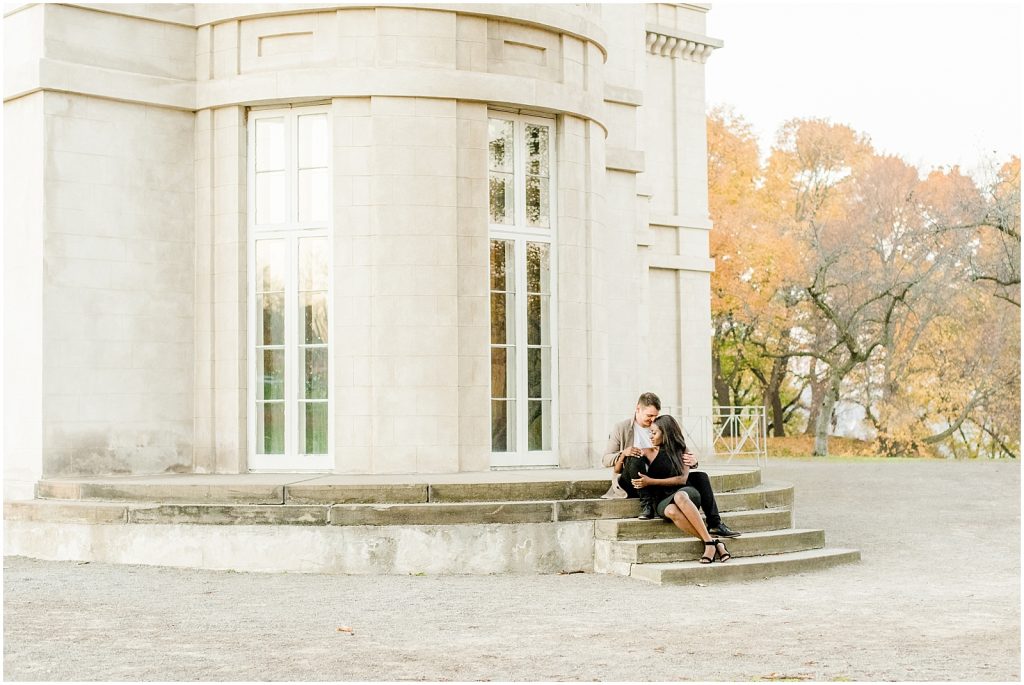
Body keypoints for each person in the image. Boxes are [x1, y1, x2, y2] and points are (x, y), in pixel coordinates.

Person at [601, 392, 740, 537]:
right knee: (636, 457)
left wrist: (693, 461)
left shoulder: (659, 425)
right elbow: (605, 459)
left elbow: (680, 450)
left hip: (658, 478)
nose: (653, 419)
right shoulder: (622, 428)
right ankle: (646, 505)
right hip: (633, 479)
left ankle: (715, 524)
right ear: (638, 409)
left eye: (655, 416)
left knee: (701, 477)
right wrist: (624, 452)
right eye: (649, 415)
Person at [628, 414, 732, 563]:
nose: (651, 436)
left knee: (680, 496)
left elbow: (682, 479)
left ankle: (709, 545)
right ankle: (713, 542)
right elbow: (628, 466)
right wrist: (624, 454)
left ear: (666, 433)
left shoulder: (682, 450)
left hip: (686, 492)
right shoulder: (648, 451)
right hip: (662, 500)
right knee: (670, 511)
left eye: (654, 432)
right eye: (650, 432)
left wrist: (650, 481)